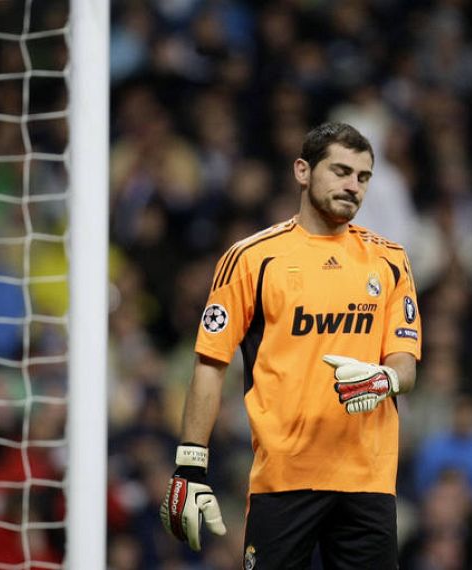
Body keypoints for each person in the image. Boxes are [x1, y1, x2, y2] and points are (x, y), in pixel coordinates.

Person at [159, 122, 422, 568]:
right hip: (283, 480)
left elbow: (405, 362)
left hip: (369, 481)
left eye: (362, 177)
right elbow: (210, 363)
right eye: (340, 171)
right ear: (303, 171)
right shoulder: (252, 259)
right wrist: (190, 465)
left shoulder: (390, 260)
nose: (352, 186)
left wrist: (387, 378)